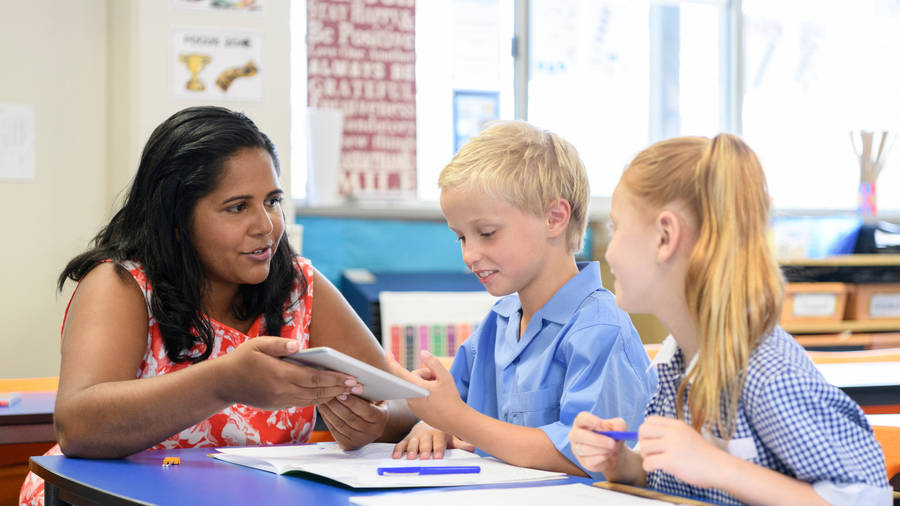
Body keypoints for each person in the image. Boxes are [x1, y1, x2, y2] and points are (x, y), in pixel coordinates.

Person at [20, 106, 415, 505]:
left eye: (273, 200)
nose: (265, 225)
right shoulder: (122, 285)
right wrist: (223, 382)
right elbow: (78, 427)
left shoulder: (300, 286)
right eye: (237, 207)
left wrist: (376, 423)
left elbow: (403, 400)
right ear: (177, 219)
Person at [567, 134, 891, 505]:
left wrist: (718, 467)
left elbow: (868, 499)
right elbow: (677, 479)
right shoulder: (675, 360)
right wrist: (622, 462)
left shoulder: (767, 374)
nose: (609, 251)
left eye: (615, 227)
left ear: (664, 237)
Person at [385, 120, 657, 478]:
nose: (470, 255)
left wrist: (455, 419)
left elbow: (587, 457)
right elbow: (451, 405)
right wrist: (432, 425)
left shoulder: (600, 330)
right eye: (461, 238)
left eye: (486, 233)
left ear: (554, 218)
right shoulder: (499, 323)